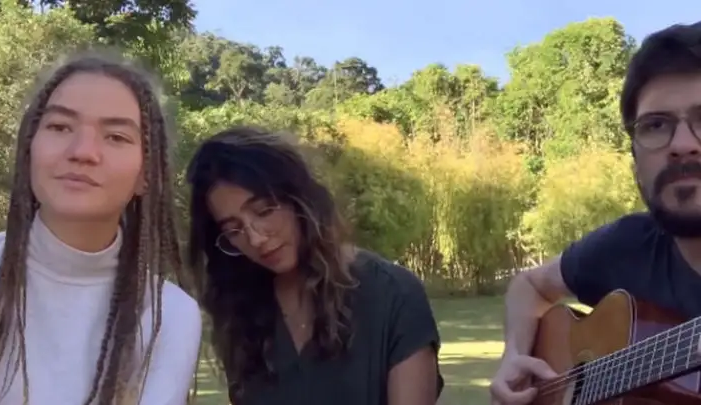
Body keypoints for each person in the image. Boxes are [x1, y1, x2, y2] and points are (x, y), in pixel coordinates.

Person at [490, 20, 701, 405]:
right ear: (635, 161)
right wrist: (515, 355)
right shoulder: (628, 245)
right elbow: (530, 287)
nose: (682, 144)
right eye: (656, 125)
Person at [0, 50, 202, 405]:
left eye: (116, 136)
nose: (83, 151)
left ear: (146, 175)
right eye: (59, 127)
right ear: (29, 148)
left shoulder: (170, 315)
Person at [185, 126, 444, 405]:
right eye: (234, 230)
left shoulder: (394, 295)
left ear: (299, 197)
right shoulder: (240, 313)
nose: (256, 239)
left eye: (264, 211)